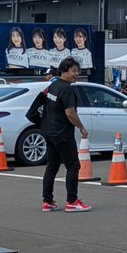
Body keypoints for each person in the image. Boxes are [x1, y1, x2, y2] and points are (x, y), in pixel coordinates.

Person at [41, 57, 92, 213]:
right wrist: (81, 128)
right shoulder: (67, 89)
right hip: (62, 133)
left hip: (49, 131)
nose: (76, 74)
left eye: (78, 71)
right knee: (73, 166)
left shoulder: (54, 86)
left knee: (52, 166)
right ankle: (72, 201)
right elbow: (70, 113)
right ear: (63, 71)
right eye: (73, 71)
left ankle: (47, 201)